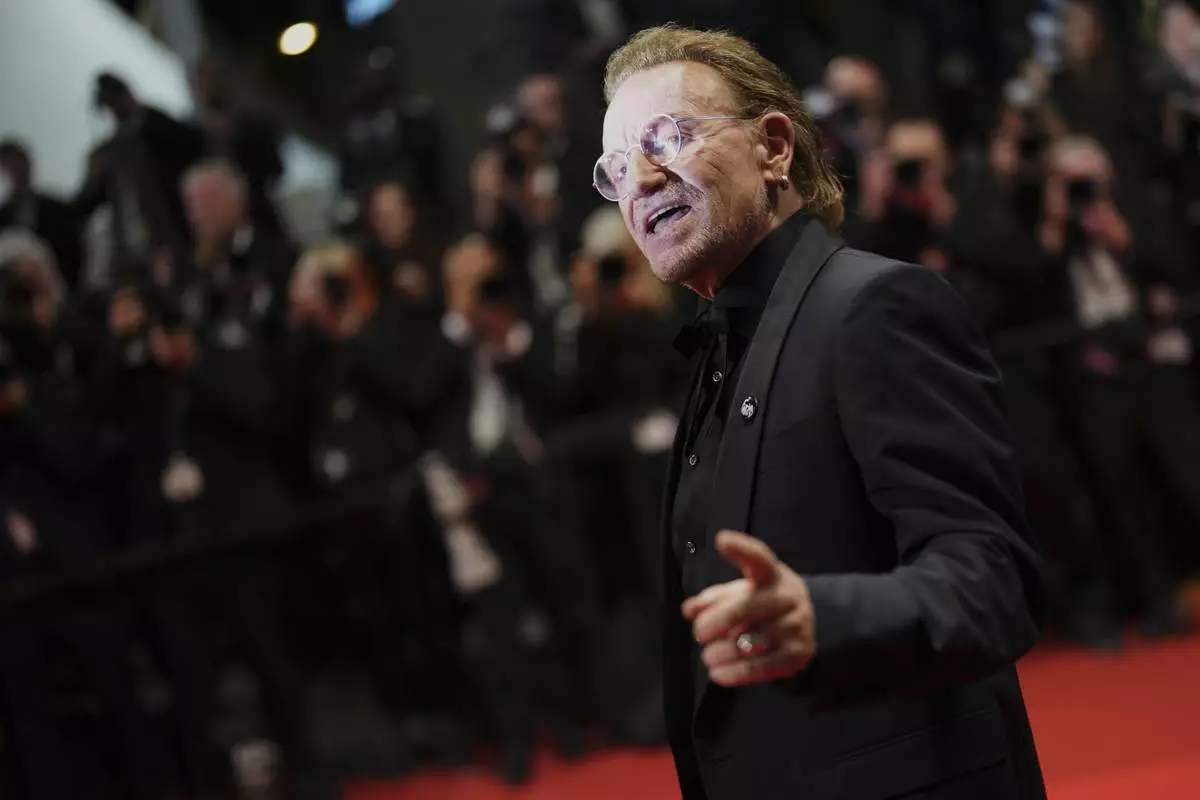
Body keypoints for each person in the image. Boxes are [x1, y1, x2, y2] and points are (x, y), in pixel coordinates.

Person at [596, 26, 1047, 800]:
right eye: (611, 168)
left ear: (774, 146)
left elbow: (992, 578)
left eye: (665, 138)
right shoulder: (712, 351)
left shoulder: (875, 307)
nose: (638, 178)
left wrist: (824, 615)